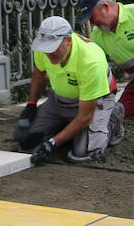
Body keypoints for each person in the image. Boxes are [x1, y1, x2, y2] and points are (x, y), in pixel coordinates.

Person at [16, 16, 123, 166]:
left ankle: (112, 119)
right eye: (46, 48)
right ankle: (66, 128)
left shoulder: (91, 61)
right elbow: (40, 72)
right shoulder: (44, 49)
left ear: (69, 40)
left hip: (95, 101)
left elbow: (85, 116)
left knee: (84, 153)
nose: (49, 53)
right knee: (27, 143)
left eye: (54, 48)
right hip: (60, 100)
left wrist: (52, 143)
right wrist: (31, 105)